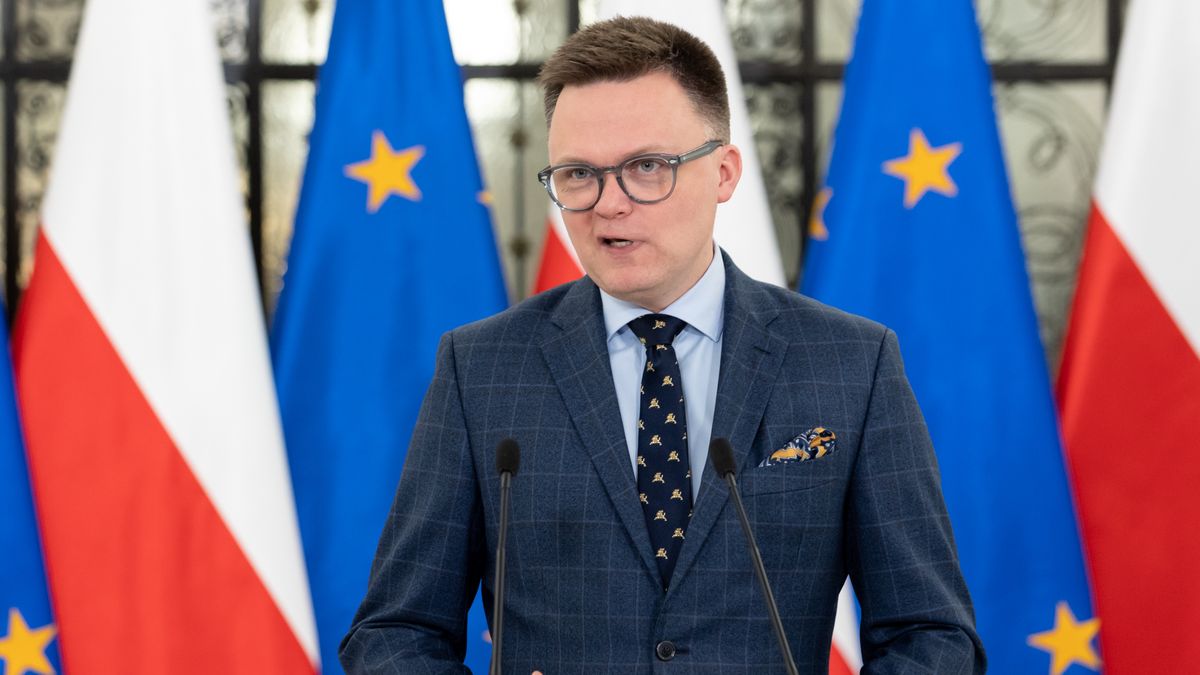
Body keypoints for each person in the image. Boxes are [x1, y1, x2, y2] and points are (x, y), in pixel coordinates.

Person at [341, 16, 984, 674]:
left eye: (646, 167)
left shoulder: (851, 364)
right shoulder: (481, 368)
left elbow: (931, 635)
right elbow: (396, 631)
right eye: (577, 174)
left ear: (724, 172)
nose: (608, 203)